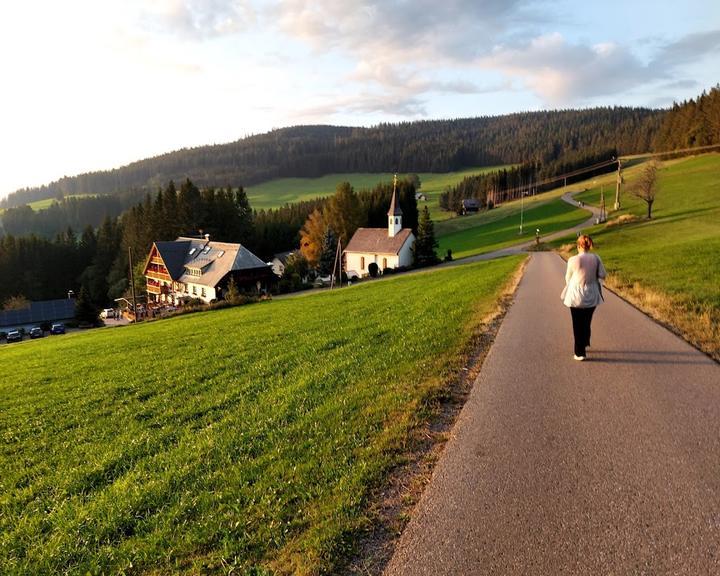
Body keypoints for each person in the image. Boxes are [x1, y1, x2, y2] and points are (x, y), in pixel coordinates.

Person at [561, 234, 606, 360]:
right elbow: (603, 274)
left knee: (577, 323)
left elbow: (567, 278)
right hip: (591, 294)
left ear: (578, 245)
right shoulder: (596, 258)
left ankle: (579, 352)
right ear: (589, 245)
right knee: (586, 321)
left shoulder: (573, 260)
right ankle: (585, 341)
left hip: (575, 296)